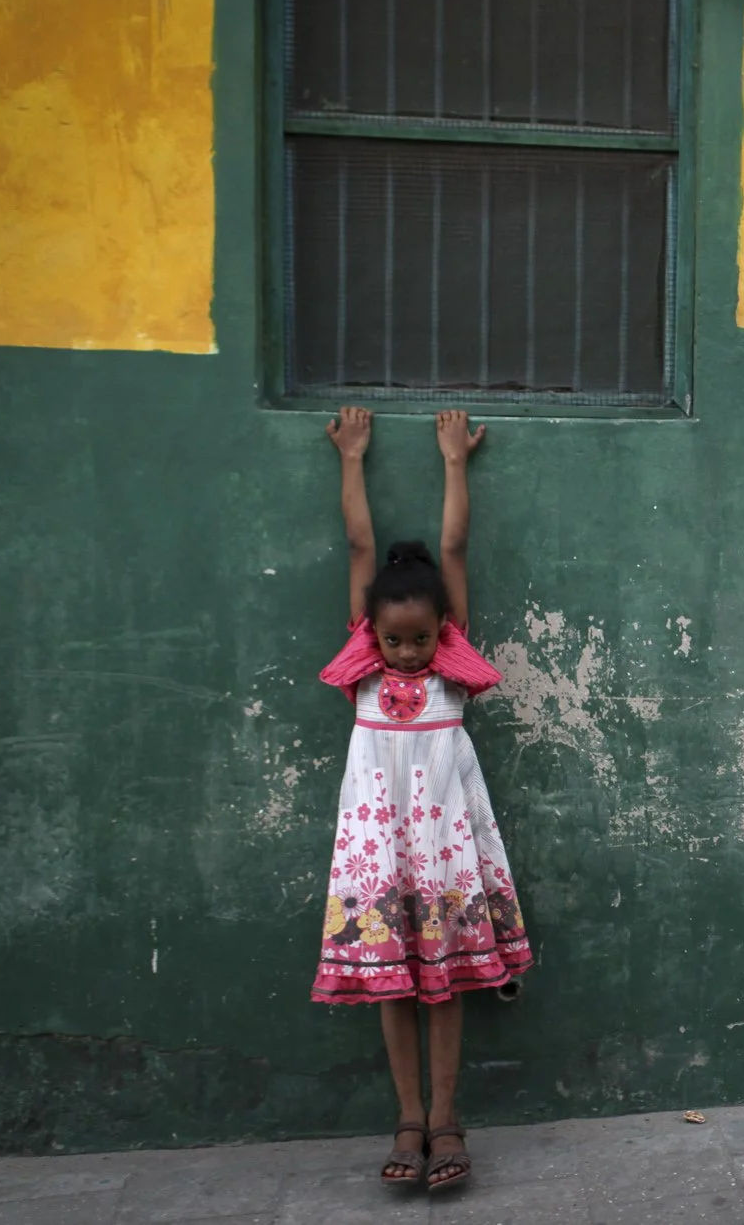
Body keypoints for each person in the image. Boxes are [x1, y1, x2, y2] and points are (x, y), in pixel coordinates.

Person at [313, 406, 531, 1192]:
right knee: (391, 981)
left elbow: (454, 547)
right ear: (371, 632)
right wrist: (352, 457)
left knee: (443, 984)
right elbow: (361, 546)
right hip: (378, 852)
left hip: (441, 847)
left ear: (445, 628)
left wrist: (454, 463)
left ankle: (446, 1119)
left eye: (421, 637)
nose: (407, 650)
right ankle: (407, 1114)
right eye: (394, 638)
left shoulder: (452, 660)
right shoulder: (361, 666)